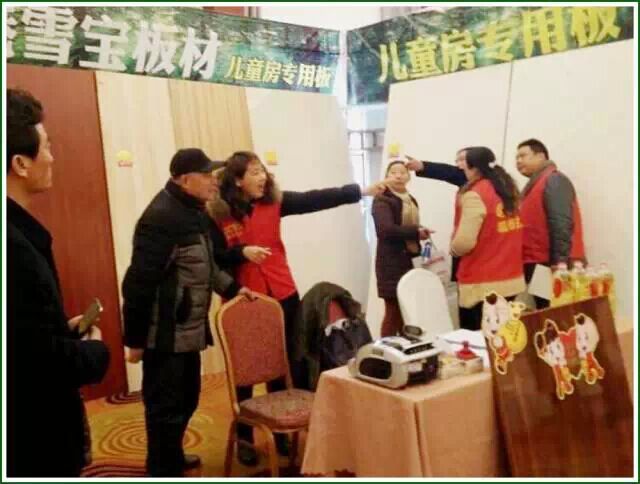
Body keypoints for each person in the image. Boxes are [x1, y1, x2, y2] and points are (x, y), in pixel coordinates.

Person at [207, 151, 385, 466]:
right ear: (237, 180)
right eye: (254, 172)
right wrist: (241, 253)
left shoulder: (274, 202)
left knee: (282, 363)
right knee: (246, 369)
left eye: (263, 170)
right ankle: (244, 437)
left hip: (283, 292)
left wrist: (360, 191)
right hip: (245, 298)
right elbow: (215, 258)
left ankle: (279, 434)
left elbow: (315, 199)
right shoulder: (217, 213)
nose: (262, 177)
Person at [121, 148, 253, 477]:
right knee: (164, 410)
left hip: (187, 333)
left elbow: (206, 266)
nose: (214, 181)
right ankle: (162, 469)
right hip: (164, 335)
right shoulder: (160, 219)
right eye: (206, 175)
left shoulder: (194, 212)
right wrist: (135, 340)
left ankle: (173, 456)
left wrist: (234, 290)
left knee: (187, 400)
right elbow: (137, 284)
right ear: (183, 180)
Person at [6, 88, 110, 477]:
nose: (51, 157)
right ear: (20, 163)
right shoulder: (14, 250)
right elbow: (36, 363)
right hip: (32, 436)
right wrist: (94, 351)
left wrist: (59, 331)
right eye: (47, 146)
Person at [450, 147, 525, 330]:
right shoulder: (508, 189)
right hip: (511, 278)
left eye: (464, 165)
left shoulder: (475, 194)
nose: (461, 168)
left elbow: (464, 242)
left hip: (482, 281)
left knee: (477, 338)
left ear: (474, 168)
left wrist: (453, 249)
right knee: (503, 337)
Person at [515, 139, 585, 308]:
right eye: (516, 158)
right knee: (545, 312)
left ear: (541, 156)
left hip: (551, 263)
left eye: (523, 156)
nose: (518, 161)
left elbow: (561, 223)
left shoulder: (553, 180)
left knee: (555, 311)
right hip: (538, 261)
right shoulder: (535, 184)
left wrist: (559, 264)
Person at [372, 160, 430, 337]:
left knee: (407, 311)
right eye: (393, 172)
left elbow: (409, 226)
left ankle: (405, 348)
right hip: (390, 263)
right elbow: (385, 230)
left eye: (402, 172)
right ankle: (384, 351)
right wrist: (415, 232)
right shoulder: (382, 199)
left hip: (410, 260)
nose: (398, 176)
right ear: (386, 176)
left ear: (409, 177)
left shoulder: (410, 200)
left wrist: (420, 232)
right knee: (393, 311)